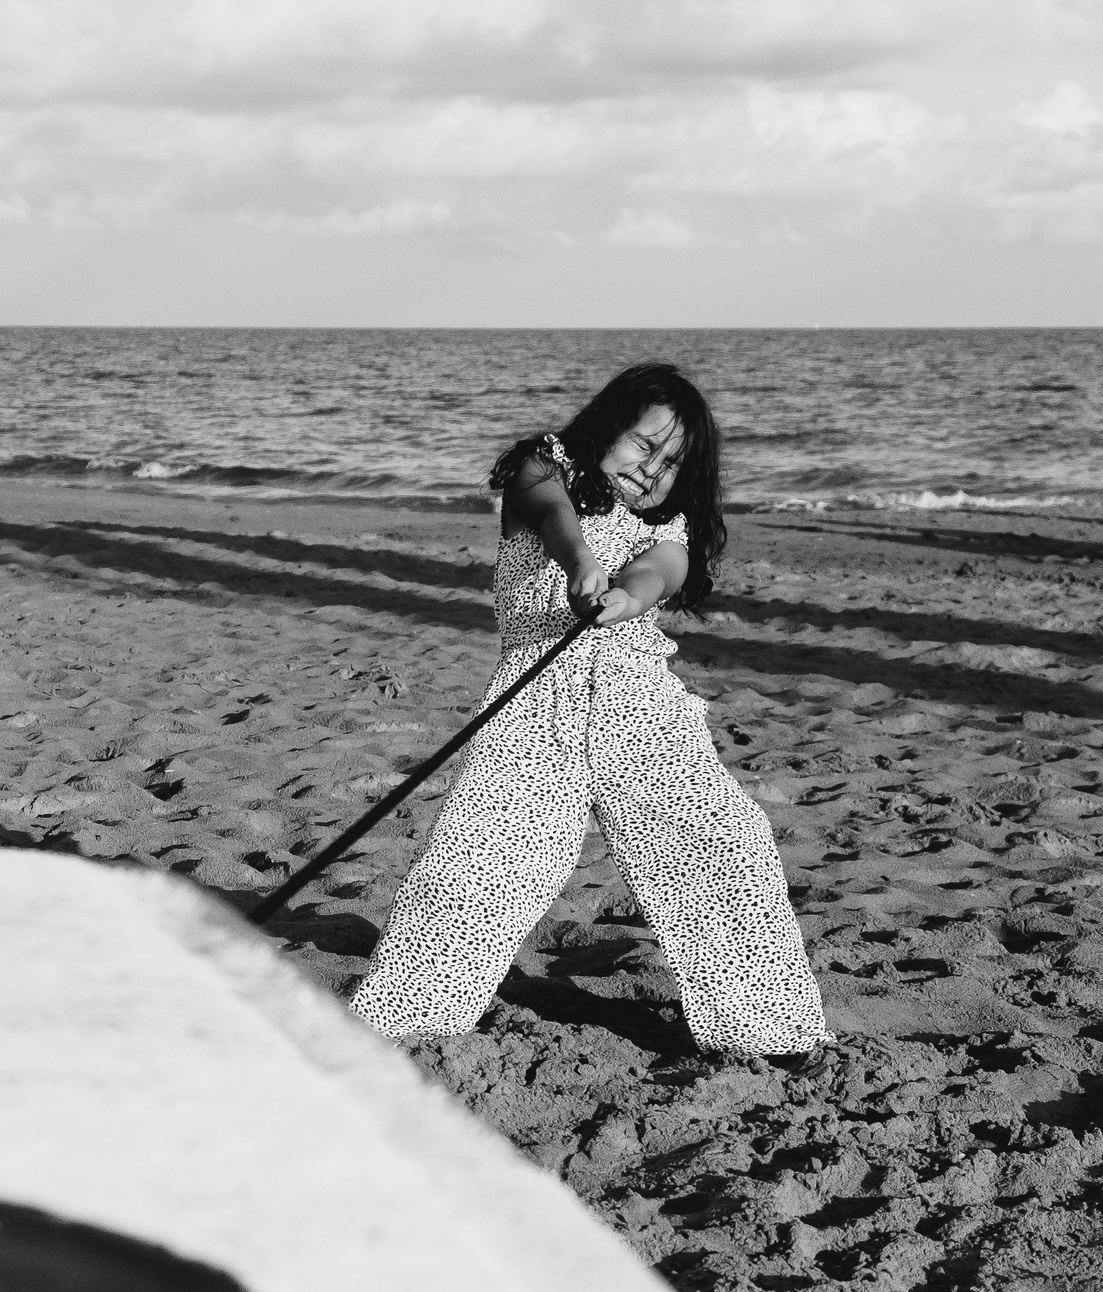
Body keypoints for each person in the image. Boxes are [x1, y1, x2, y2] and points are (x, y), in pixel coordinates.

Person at [348, 361, 830, 1056]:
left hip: (640, 701)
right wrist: (579, 565)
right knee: (484, 860)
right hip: (535, 700)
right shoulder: (544, 465)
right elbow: (552, 516)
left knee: (725, 841)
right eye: (643, 445)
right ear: (608, 426)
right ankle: (407, 1020)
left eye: (671, 463)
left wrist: (627, 598)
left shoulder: (668, 521)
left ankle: (765, 1032)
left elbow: (660, 570)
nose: (651, 470)